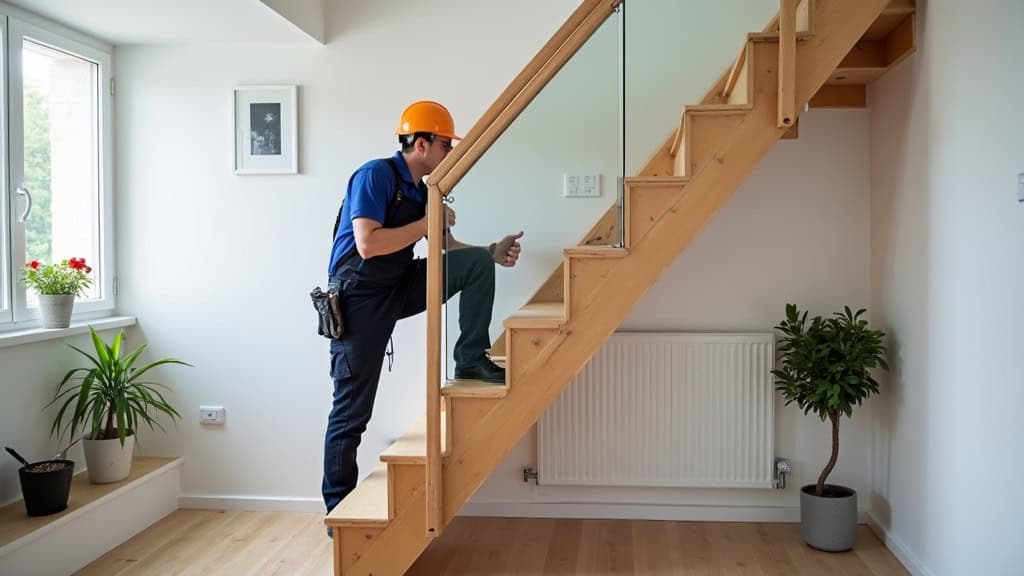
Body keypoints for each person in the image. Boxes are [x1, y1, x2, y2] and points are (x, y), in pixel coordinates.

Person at [322, 100, 523, 518]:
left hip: (397, 284)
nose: (450, 152)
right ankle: (338, 509)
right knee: (351, 413)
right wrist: (426, 222)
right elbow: (368, 244)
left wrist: (489, 253)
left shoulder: (426, 189)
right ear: (420, 143)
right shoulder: (375, 175)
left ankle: (470, 359)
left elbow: (447, 248)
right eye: (445, 144)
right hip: (358, 297)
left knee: (476, 263)